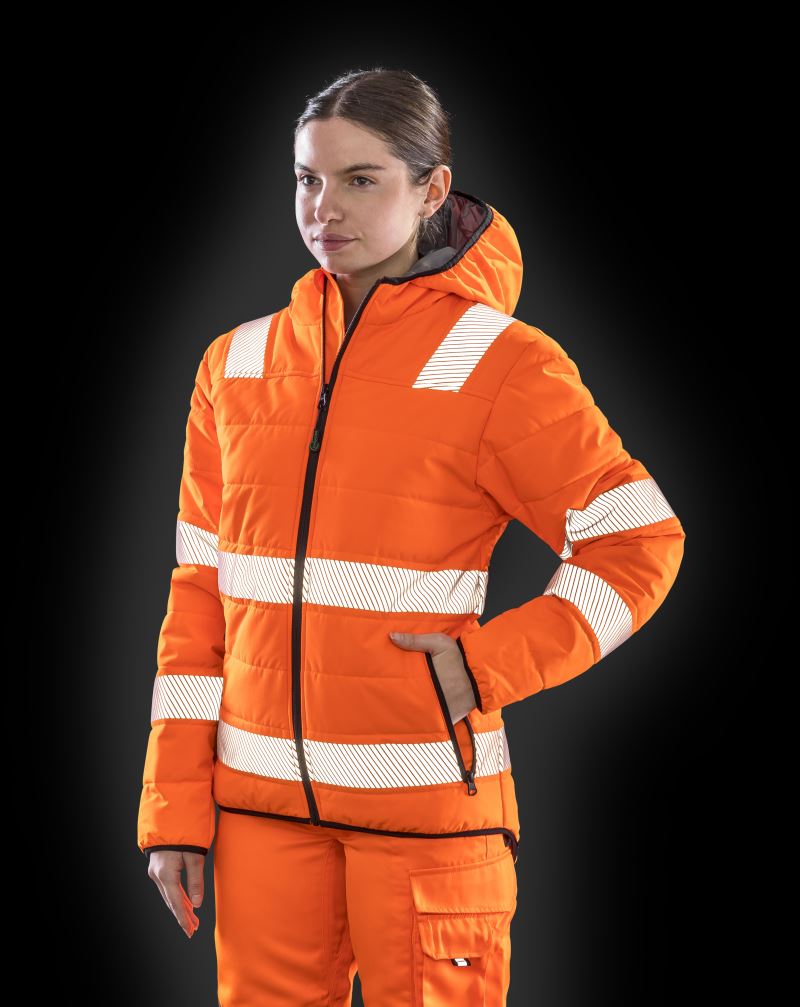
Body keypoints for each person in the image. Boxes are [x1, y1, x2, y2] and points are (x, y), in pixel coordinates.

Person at [137, 67, 686, 1006]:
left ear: (433, 190)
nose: (325, 208)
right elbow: (199, 594)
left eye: (362, 179)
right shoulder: (236, 363)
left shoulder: (503, 363)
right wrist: (174, 808)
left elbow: (639, 540)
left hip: (426, 816)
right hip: (259, 816)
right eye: (308, 179)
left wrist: (486, 667)